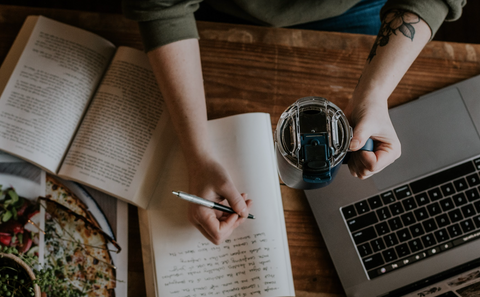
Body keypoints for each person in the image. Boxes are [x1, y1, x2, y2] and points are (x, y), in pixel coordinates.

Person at [122, 0, 466, 245]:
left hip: (357, 9)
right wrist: (198, 155)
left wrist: (374, 93)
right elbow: (162, 5)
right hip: (221, 10)